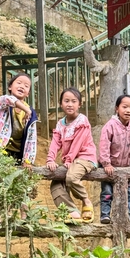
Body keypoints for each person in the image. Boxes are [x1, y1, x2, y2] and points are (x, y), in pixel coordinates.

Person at [46, 87, 96, 223]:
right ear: (61, 104)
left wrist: (68, 159)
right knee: (55, 184)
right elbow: (55, 143)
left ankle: (86, 201)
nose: (70, 104)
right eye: (66, 101)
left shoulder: (82, 121)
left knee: (72, 178)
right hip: (71, 162)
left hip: (85, 157)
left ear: (79, 104)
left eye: (74, 101)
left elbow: (78, 143)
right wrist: (50, 159)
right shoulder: (60, 124)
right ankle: (72, 211)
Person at [99, 94, 130, 226]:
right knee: (107, 191)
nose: (128, 111)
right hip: (108, 165)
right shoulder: (110, 125)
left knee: (129, 192)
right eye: (124, 107)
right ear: (116, 108)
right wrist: (106, 164)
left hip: (126, 165)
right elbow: (104, 145)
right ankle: (105, 215)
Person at [0, 73, 37, 164]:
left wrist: (28, 161)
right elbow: (10, 100)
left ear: (28, 93)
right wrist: (27, 110)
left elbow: (31, 138)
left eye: (26, 86)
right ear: (10, 87)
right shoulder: (4, 102)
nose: (22, 86)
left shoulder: (31, 113)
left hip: (19, 153)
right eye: (19, 83)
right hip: (1, 148)